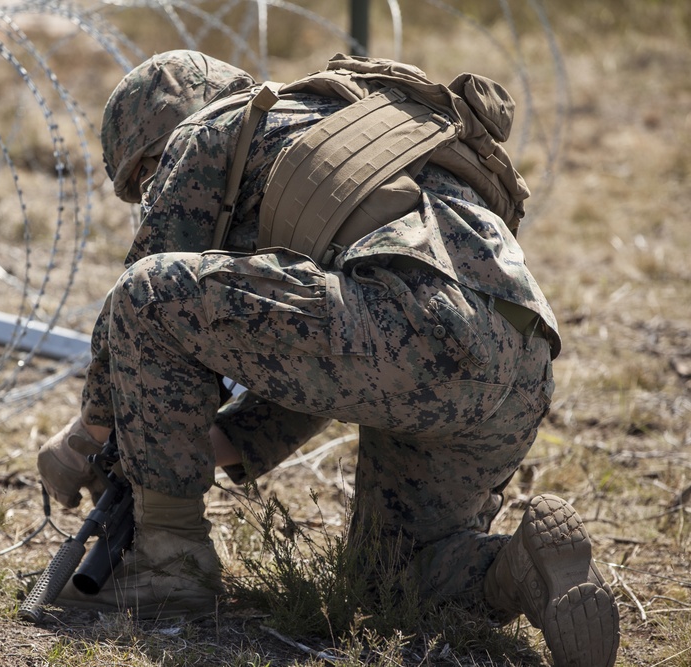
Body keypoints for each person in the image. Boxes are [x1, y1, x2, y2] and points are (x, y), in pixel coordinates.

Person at [36, 50, 620, 666]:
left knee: (147, 293)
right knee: (388, 584)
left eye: (148, 178)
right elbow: (314, 368)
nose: (155, 190)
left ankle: (170, 564)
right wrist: (183, 442)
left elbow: (142, 299)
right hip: (516, 362)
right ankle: (522, 567)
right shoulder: (338, 125)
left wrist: (84, 438)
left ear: (157, 142)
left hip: (409, 324)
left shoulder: (207, 131)